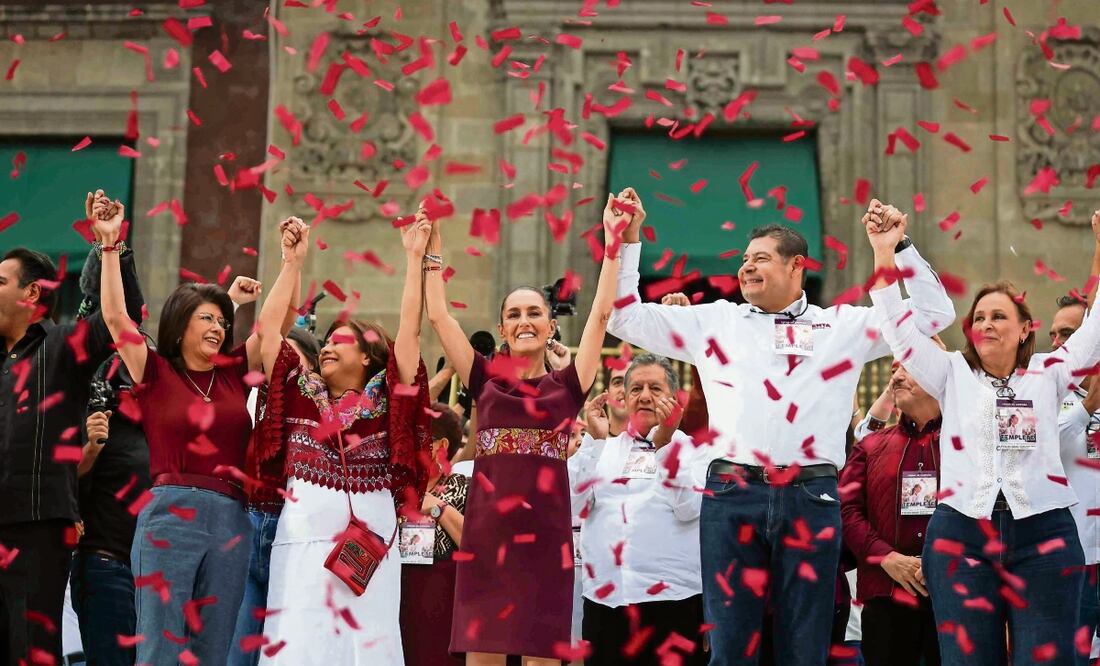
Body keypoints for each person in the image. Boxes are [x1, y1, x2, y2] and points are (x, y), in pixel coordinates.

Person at [606, 192, 955, 665]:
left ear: (797, 267)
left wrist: (898, 248)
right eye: (745, 259)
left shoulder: (842, 326)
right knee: (730, 649)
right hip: (731, 494)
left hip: (811, 498)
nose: (747, 267)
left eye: (761, 258)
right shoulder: (715, 320)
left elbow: (936, 315)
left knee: (805, 649)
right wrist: (628, 240)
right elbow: (625, 317)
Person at [868, 210, 1100, 665]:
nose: (987, 324)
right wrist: (883, 252)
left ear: (1024, 328)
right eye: (979, 317)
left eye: (999, 316)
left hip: (1045, 534)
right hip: (962, 534)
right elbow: (899, 330)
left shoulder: (1049, 371)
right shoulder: (950, 371)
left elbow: (1095, 332)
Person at [426, 192, 621, 665]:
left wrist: (613, 243)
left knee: (541, 659)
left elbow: (598, 315)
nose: (524, 321)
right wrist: (430, 251)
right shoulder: (484, 380)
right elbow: (439, 317)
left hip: (545, 542)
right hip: (486, 537)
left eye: (534, 312)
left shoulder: (568, 385)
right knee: (484, 658)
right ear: (503, 327)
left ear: (551, 325)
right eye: (513, 314)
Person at [93, 194, 286, 663]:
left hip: (231, 519)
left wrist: (290, 261)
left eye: (223, 320)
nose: (219, 327)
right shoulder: (155, 372)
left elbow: (272, 323)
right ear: (180, 327)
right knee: (161, 648)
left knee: (211, 652)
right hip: (168, 516)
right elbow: (117, 319)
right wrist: (110, 246)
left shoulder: (236, 372)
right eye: (207, 318)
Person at [254, 216, 432, 664]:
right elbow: (267, 334)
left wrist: (414, 260)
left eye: (341, 341)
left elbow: (409, 335)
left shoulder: (390, 403)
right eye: (326, 341)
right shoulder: (298, 396)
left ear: (370, 356)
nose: (327, 347)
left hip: (367, 555)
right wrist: (291, 264)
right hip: (300, 553)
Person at [0, 191, 144, 664]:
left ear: (31, 293)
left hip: (37, 526)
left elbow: (118, 324)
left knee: (31, 649)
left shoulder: (62, 347)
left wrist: (109, 247)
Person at [569, 353, 706, 665]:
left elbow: (688, 508)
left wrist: (666, 443)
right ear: (624, 399)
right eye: (636, 389)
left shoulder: (694, 450)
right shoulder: (602, 448)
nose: (644, 396)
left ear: (673, 397)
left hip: (672, 603)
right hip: (606, 602)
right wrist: (593, 441)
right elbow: (571, 505)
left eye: (655, 389)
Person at [840, 360, 943, 666]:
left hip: (955, 589)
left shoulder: (967, 443)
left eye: (909, 369)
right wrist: (886, 557)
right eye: (894, 371)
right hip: (885, 590)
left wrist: (940, 559)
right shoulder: (871, 446)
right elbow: (846, 509)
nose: (896, 377)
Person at [229, 325, 320, 666]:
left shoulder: (319, 410)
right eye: (274, 358)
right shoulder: (257, 401)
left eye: (289, 357)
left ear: (311, 365)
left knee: (283, 654)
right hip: (248, 527)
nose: (279, 364)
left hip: (292, 534)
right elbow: (267, 327)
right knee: (238, 652)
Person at [1050, 221, 1100, 665]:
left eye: (1068, 334)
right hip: (1078, 558)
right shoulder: (1047, 395)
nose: (1057, 342)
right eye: (1054, 334)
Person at [399, 401, 469, 666]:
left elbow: (477, 546)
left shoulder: (465, 487)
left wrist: (437, 508)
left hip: (444, 613)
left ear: (441, 447)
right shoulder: (391, 488)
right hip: (397, 607)